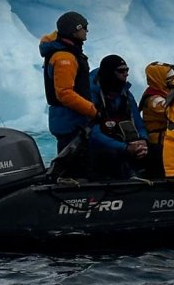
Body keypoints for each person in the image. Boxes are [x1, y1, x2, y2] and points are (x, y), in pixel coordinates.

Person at [39, 11, 98, 154]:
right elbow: (64, 93)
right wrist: (92, 110)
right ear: (75, 30)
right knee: (72, 161)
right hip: (70, 121)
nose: (87, 31)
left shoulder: (69, 52)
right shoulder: (64, 57)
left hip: (71, 119)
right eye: (84, 27)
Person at [86, 54, 150, 180]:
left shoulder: (125, 93)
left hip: (124, 141)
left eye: (127, 70)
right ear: (110, 73)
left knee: (155, 152)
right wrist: (125, 148)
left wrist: (143, 141)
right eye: (121, 71)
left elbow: (138, 123)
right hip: (102, 146)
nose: (126, 74)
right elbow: (92, 132)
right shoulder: (92, 94)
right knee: (112, 155)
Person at [138, 61, 174, 179]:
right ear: (160, 80)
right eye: (170, 78)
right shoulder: (154, 100)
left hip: (168, 141)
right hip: (158, 145)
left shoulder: (166, 93)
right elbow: (173, 112)